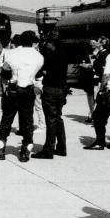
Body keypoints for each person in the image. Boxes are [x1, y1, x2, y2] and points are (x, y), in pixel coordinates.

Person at [0, 31, 44, 162]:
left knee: (7, 120)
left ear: (20, 41)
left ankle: (0, 149)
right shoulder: (39, 56)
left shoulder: (12, 54)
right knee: (27, 121)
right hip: (29, 90)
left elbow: (6, 73)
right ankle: (26, 149)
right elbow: (38, 75)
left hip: (13, 89)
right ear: (33, 41)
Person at [32, 26, 69, 159]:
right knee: (58, 118)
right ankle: (61, 147)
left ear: (51, 42)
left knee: (51, 120)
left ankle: (48, 149)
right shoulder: (64, 53)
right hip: (61, 89)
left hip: (51, 89)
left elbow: (39, 72)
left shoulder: (50, 56)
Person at [77, 45, 96, 123]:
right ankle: (91, 114)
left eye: (94, 42)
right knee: (90, 96)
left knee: (97, 97)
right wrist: (86, 65)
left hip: (98, 78)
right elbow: (80, 63)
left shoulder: (102, 53)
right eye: (91, 43)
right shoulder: (85, 53)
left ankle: (94, 116)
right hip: (89, 78)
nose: (92, 44)